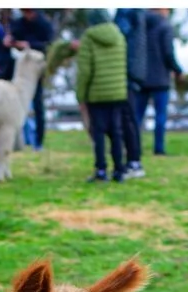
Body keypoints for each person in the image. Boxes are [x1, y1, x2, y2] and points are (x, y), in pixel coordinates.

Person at [75, 8, 133, 181]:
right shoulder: (120, 36)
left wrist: (81, 95)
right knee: (116, 132)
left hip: (97, 94)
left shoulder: (88, 38)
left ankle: (101, 170)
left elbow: (85, 71)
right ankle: (119, 170)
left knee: (98, 133)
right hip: (118, 92)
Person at [124, 6, 180, 158]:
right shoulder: (165, 26)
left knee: (137, 116)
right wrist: (178, 70)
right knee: (160, 116)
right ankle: (159, 149)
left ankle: (133, 148)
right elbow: (168, 53)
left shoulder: (138, 24)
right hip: (161, 80)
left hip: (140, 78)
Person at [11, 5, 56, 143]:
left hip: (36, 70)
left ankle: (38, 141)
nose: (26, 14)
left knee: (38, 105)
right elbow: (13, 39)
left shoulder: (44, 24)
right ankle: (19, 139)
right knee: (17, 103)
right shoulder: (19, 24)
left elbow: (49, 44)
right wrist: (12, 42)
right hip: (21, 70)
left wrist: (30, 45)